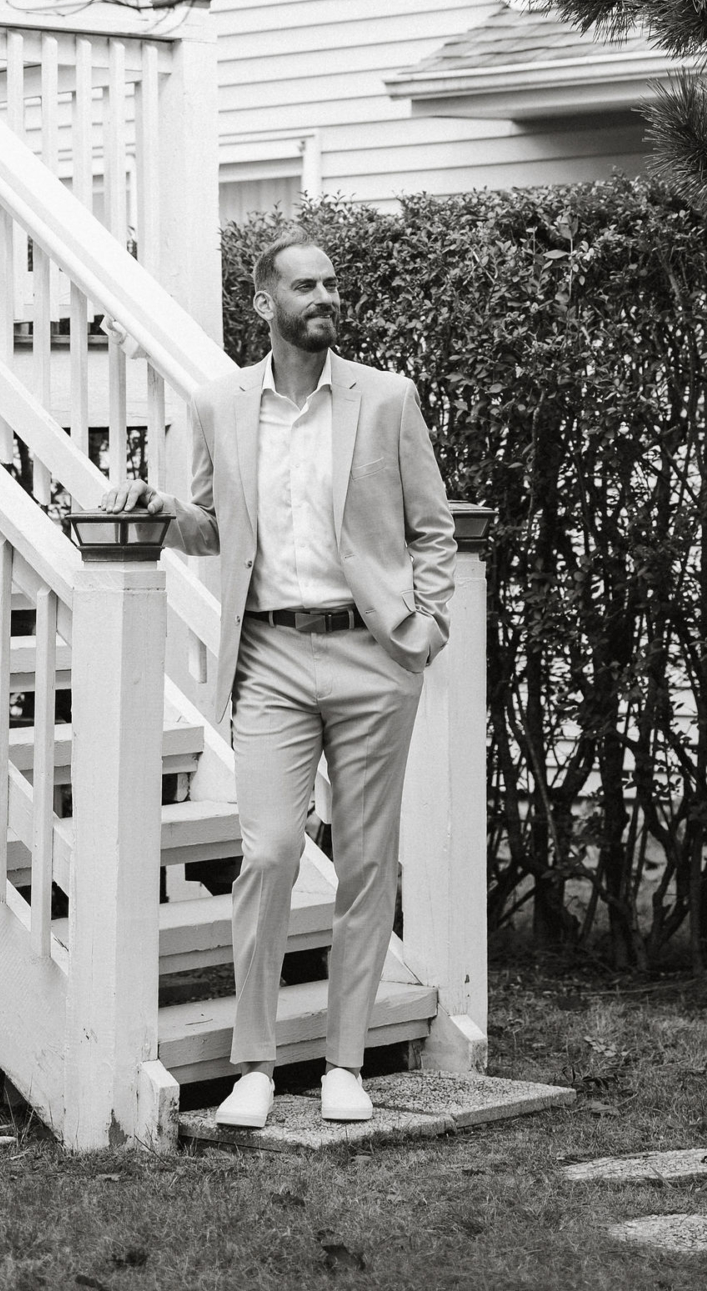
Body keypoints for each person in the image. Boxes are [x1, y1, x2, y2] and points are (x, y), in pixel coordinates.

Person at [101, 231, 457, 1127]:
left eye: (331, 284)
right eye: (306, 286)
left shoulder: (386, 398)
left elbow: (432, 527)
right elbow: (215, 525)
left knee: (368, 864)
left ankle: (343, 1063)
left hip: (373, 656)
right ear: (264, 304)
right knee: (266, 852)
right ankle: (254, 1063)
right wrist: (158, 508)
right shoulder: (220, 403)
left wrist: (423, 628)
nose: (324, 297)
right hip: (267, 657)